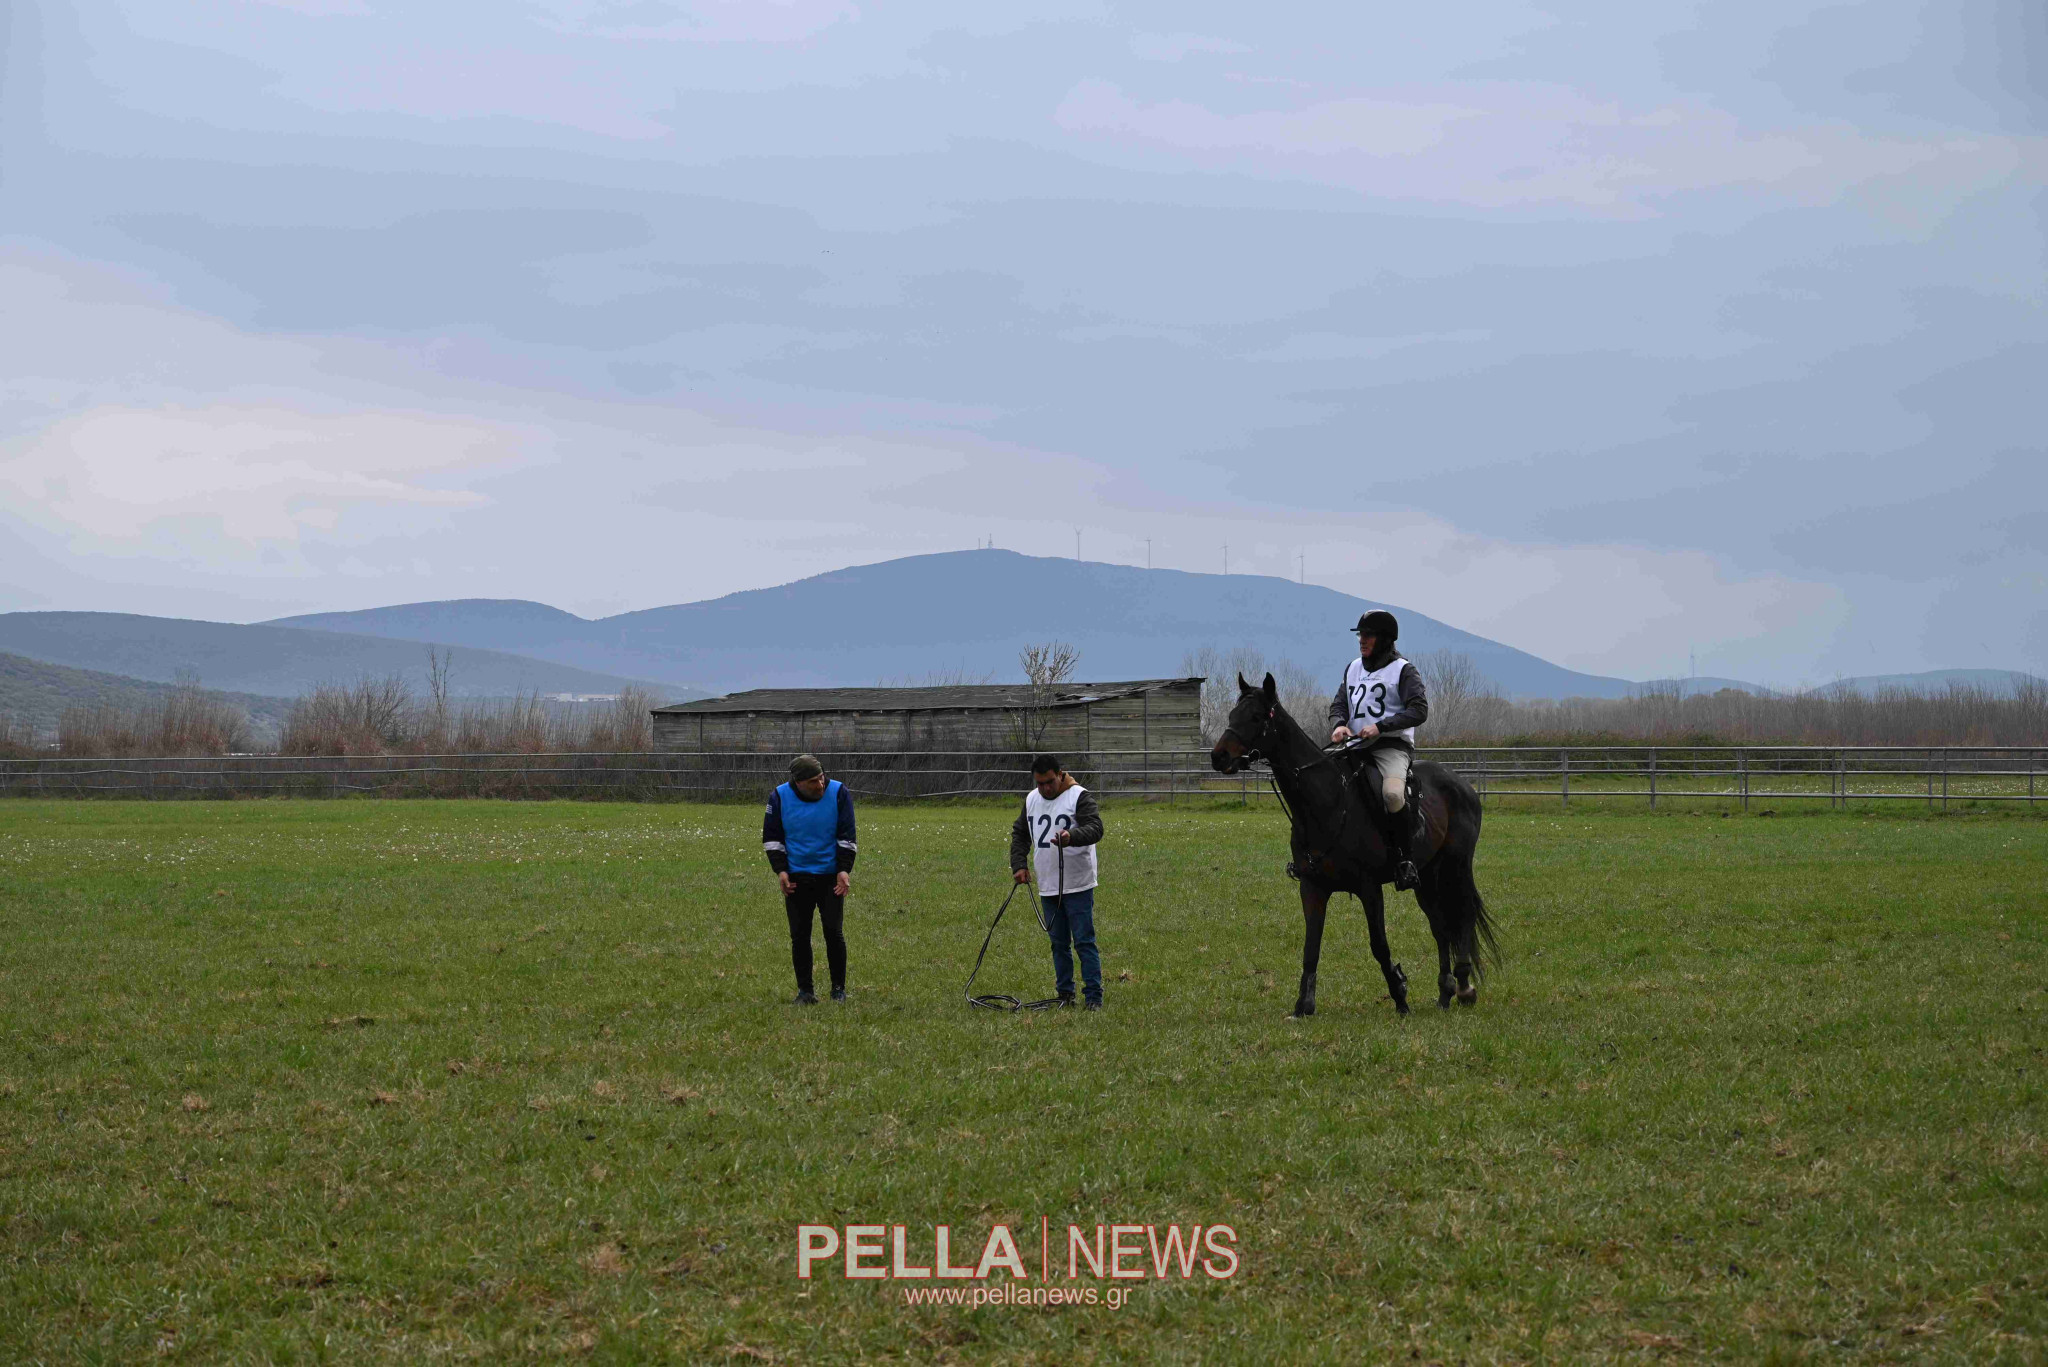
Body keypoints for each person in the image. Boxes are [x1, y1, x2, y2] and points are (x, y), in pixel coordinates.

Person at [1327, 610, 1430, 891]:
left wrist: (1381, 727)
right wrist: (1338, 725)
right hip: (1354, 745)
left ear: (1384, 639)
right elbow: (1339, 705)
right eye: (1360, 635)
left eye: (1368, 635)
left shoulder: (1403, 670)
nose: (1362, 640)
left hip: (1390, 747)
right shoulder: (1353, 668)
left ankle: (1404, 861)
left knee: (1393, 794)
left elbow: (1419, 710)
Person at [1008, 755, 1106, 1009]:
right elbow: (1021, 834)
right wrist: (1019, 864)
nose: (1045, 789)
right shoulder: (1031, 799)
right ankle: (1065, 994)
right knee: (1058, 943)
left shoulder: (1078, 796)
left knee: (1084, 941)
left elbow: (1096, 828)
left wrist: (1071, 836)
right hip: (1048, 885)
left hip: (1078, 884)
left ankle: (1093, 996)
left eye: (1049, 782)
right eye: (1039, 783)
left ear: (1060, 774)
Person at [762, 754, 858, 1004]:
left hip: (830, 877)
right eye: (814, 781)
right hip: (797, 877)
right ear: (799, 782)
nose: (821, 785)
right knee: (800, 936)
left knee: (833, 932)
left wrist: (843, 869)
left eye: (822, 778)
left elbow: (847, 834)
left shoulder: (839, 793)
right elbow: (773, 837)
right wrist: (781, 870)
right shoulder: (779, 797)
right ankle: (805, 991)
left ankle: (838, 990)